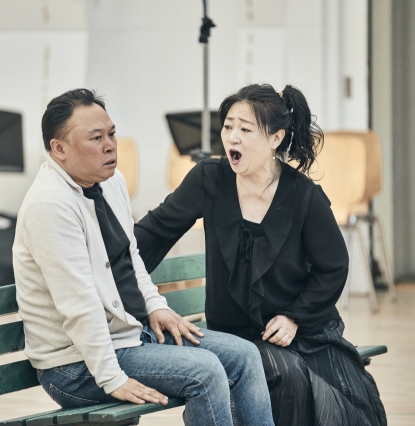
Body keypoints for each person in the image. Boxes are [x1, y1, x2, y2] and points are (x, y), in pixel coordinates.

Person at [12, 88, 275, 426]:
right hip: (75, 366)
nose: (110, 145)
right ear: (58, 149)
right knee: (206, 372)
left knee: (244, 355)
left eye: (112, 134)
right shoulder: (50, 206)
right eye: (96, 138)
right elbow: (79, 305)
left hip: (131, 338)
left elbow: (130, 259)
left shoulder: (111, 182)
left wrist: (156, 306)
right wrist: (112, 378)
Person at [134, 84, 387, 426]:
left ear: (275, 138)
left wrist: (294, 317)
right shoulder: (209, 179)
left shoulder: (303, 196)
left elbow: (333, 267)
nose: (232, 138)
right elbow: (152, 234)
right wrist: (111, 270)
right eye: (228, 127)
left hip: (300, 331)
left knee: (344, 400)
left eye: (245, 129)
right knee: (284, 371)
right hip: (235, 338)